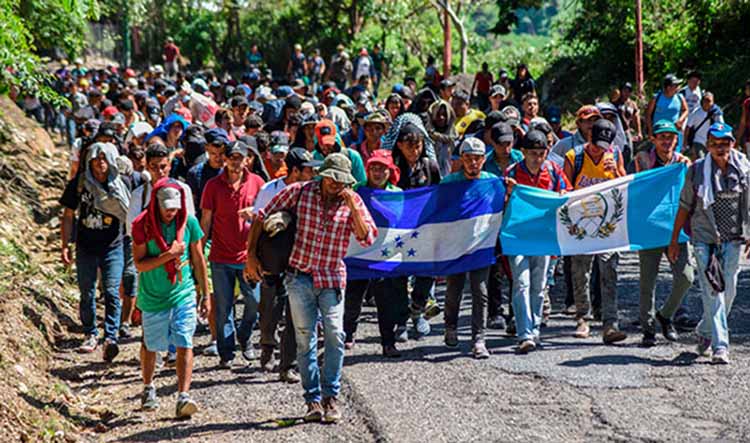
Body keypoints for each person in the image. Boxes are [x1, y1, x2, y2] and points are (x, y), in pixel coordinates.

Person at [244, 153, 377, 423]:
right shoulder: (300, 192)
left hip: (331, 277)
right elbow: (261, 215)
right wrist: (251, 256)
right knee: (304, 339)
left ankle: (332, 396)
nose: (335, 186)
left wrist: (352, 206)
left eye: (341, 182)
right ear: (323, 176)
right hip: (299, 276)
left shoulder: (352, 200)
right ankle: (313, 400)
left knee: (335, 335)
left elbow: (367, 238)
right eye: (331, 180)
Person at [668, 122, 750, 364]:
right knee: (712, 290)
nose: (720, 148)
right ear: (708, 145)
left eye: (724, 143)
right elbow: (684, 206)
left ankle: (705, 330)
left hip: (733, 237)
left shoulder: (744, 168)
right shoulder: (696, 170)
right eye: (715, 144)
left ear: (732, 144)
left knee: (730, 289)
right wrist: (674, 240)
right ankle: (720, 345)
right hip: (704, 237)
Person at [132, 179, 209, 417]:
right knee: (151, 344)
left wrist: (205, 294)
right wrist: (169, 255)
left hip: (182, 292)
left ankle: (183, 396)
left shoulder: (188, 223)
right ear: (156, 204)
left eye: (175, 207)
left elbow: (198, 260)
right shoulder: (141, 225)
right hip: (153, 295)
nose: (170, 212)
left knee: (184, 340)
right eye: (166, 207)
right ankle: (148, 386)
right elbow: (140, 264)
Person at [252, 148, 320, 381]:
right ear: (295, 171)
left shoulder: (312, 192)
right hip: (272, 256)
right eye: (308, 169)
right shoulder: (270, 190)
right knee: (270, 306)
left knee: (295, 311)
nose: (313, 173)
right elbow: (257, 222)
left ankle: (287, 363)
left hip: (298, 258)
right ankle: (267, 348)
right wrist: (251, 257)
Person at [60, 142, 130, 360]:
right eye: (96, 158)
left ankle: (111, 337)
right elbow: (68, 216)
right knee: (87, 293)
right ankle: (90, 333)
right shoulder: (79, 184)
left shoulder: (121, 185)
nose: (100, 163)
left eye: (104, 158)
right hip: (86, 248)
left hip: (113, 247)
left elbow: (132, 214)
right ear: (89, 161)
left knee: (111, 292)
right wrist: (65, 245)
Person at [200, 140, 265, 368]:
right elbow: (206, 220)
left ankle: (245, 335)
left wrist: (255, 212)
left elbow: (267, 213)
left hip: (249, 256)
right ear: (225, 159)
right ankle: (226, 352)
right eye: (232, 157)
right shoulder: (213, 185)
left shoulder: (257, 183)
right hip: (220, 255)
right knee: (223, 306)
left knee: (254, 301)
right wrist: (199, 247)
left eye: (240, 157)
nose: (236, 162)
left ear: (247, 159)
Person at [563, 119, 628, 344]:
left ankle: (610, 323)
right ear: (589, 137)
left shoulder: (615, 155)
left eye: (604, 146)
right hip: (581, 224)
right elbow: (566, 188)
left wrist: (617, 172)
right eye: (596, 144)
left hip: (608, 226)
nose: (599, 149)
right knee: (580, 271)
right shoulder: (574, 156)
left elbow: (625, 186)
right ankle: (583, 318)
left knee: (609, 270)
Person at [505, 130, 570, 353]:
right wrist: (509, 192)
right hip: (518, 237)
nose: (537, 158)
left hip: (543, 237)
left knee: (539, 286)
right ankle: (524, 333)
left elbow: (568, 193)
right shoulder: (512, 172)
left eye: (542, 153)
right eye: (532, 153)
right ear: (523, 152)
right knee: (521, 283)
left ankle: (535, 330)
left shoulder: (553, 171)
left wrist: (563, 193)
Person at [633, 120, 694, 347]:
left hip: (677, 231)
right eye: (662, 137)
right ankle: (648, 329)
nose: (666, 141)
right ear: (654, 139)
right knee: (647, 282)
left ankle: (666, 314)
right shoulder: (642, 161)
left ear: (676, 140)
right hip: (649, 229)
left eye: (670, 137)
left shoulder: (683, 164)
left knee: (687, 277)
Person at [344, 150, 408, 356]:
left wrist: (371, 201)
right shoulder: (357, 190)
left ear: (390, 171)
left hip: (384, 255)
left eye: (382, 168)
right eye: (373, 168)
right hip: (359, 252)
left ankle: (388, 343)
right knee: (353, 298)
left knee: (385, 301)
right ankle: (348, 334)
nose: (377, 172)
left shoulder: (396, 193)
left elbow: (394, 217)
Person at [442, 137, 496, 358]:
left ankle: (479, 339)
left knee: (480, 291)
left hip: (482, 245)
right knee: (454, 289)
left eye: (477, 159)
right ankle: (451, 326)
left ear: (484, 160)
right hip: (456, 246)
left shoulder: (493, 182)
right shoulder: (449, 183)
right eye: (468, 158)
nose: (473, 163)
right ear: (461, 159)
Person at [645, 74, 689, 152]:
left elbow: (686, 110)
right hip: (659, 132)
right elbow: (648, 114)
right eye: (675, 85)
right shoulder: (656, 98)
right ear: (669, 87)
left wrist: (680, 120)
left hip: (674, 131)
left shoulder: (679, 97)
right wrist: (650, 130)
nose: (677, 87)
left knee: (674, 154)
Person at [684, 92, 723, 160]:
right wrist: (685, 142)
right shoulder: (696, 113)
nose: (707, 103)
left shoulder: (716, 113)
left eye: (709, 101)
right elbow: (688, 127)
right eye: (705, 100)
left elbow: (722, 127)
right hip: (698, 141)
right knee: (701, 159)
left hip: (712, 142)